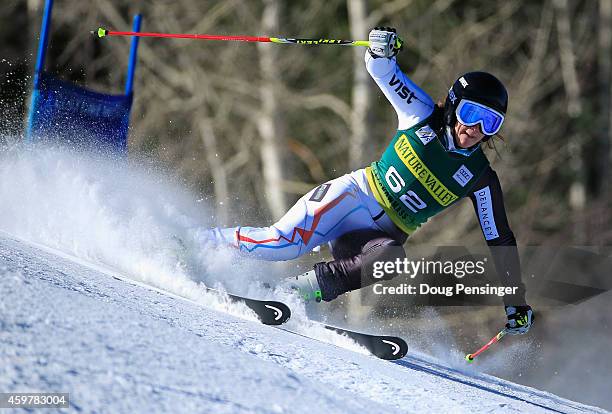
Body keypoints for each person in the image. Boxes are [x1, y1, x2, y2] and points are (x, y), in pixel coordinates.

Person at [196, 27, 533, 335]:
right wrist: (381, 48)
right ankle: (198, 243)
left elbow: (500, 239)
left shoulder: (479, 177)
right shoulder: (420, 114)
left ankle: (287, 295)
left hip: (373, 236)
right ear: (455, 106)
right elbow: (382, 71)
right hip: (352, 198)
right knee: (282, 244)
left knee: (391, 258)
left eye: (490, 123)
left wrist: (515, 300)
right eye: (472, 115)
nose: (475, 130)